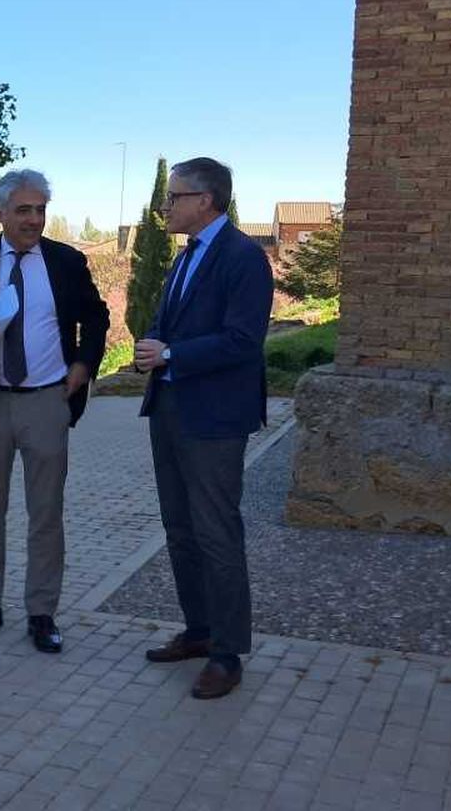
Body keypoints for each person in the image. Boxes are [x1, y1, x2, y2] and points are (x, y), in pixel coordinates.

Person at [0, 169, 107, 654]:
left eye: (41, 210)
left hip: (48, 401)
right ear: (1, 213)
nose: (34, 220)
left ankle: (42, 612)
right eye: (24, 210)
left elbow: (96, 316)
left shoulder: (67, 262)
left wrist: (84, 364)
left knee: (45, 513)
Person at [134, 157, 273, 699]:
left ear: (207, 201)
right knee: (180, 529)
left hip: (214, 418)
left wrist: (170, 353)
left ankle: (227, 653)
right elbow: (166, 320)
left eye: (174, 197)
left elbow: (243, 341)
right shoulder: (187, 256)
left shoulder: (243, 259)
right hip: (169, 409)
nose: (165, 207)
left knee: (217, 532)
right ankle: (198, 631)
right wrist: (154, 346)